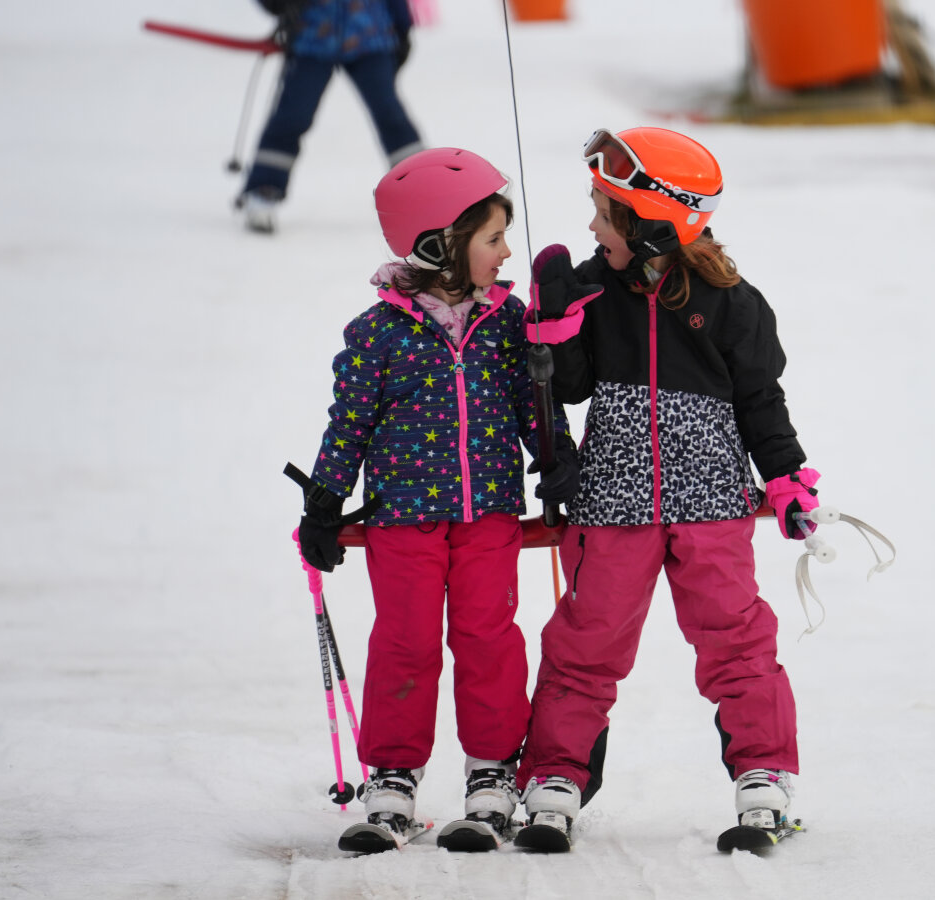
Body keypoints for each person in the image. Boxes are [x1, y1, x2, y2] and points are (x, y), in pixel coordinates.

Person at [511, 127, 824, 851]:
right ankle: (556, 776)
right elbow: (575, 386)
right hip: (613, 503)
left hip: (711, 504)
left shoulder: (732, 302)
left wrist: (783, 478)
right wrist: (554, 332)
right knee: (586, 643)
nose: (592, 226)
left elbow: (759, 400)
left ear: (652, 222)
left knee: (736, 639)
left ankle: (763, 774)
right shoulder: (592, 288)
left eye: (605, 212)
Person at [289, 147, 579, 851]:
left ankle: (492, 773)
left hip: (489, 516)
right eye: (491, 238)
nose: (506, 252)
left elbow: (529, 405)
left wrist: (557, 461)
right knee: (405, 641)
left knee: (488, 640)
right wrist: (325, 501)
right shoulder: (377, 332)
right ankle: (392, 776)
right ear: (438, 245)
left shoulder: (506, 323)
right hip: (402, 519)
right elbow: (348, 421)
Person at [237, 0, 425, 233]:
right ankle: (263, 189)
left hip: (371, 37)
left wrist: (403, 26)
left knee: (391, 115)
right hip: (311, 38)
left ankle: (424, 190)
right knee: (292, 117)